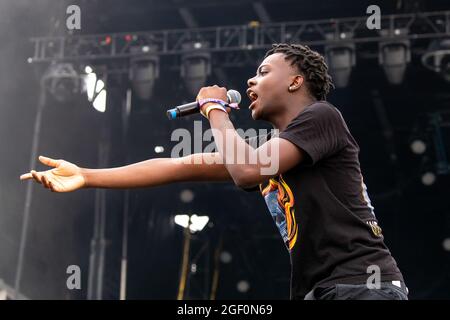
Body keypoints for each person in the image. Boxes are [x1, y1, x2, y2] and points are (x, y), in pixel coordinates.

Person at [20, 43, 408, 300]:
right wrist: (87, 175)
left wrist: (214, 109)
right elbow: (175, 166)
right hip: (322, 291)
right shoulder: (273, 154)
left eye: (263, 71)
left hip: (363, 286)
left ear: (295, 80)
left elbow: (244, 171)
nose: (251, 81)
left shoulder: (322, 117)